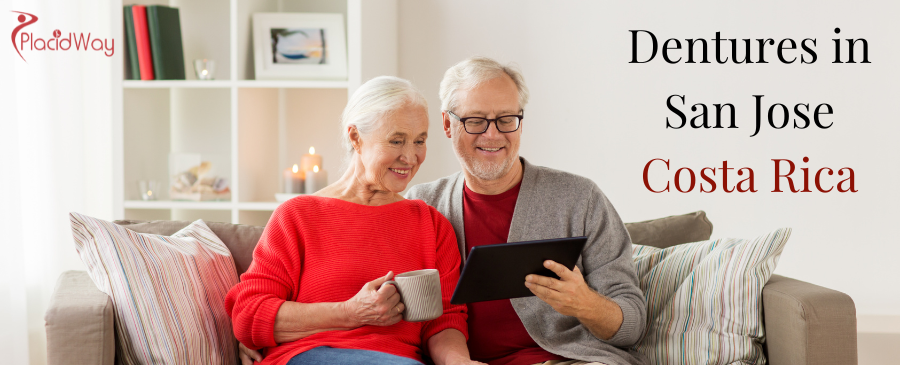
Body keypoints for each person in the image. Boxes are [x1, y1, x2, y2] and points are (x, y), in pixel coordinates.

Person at [226, 76, 485, 365]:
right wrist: (350, 312)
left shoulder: (432, 225)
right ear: (355, 138)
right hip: (310, 355)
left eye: (420, 141)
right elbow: (248, 315)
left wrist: (459, 362)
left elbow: (445, 320)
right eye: (396, 140)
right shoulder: (298, 215)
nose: (410, 156)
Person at [405, 57, 648, 365]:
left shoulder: (579, 197)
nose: (492, 135)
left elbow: (633, 327)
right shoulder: (422, 206)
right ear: (447, 124)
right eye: (475, 120)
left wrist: (585, 304)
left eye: (506, 119)